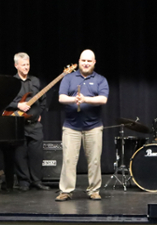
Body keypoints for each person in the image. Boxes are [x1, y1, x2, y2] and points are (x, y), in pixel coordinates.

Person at [55, 49, 109, 201]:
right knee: (68, 160)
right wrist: (74, 100)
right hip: (71, 127)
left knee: (94, 160)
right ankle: (66, 191)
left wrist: (85, 99)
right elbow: (61, 97)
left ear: (94, 63)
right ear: (79, 61)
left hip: (94, 127)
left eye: (89, 61)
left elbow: (103, 99)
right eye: (83, 61)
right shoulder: (69, 78)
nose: (85, 63)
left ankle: (94, 190)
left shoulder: (100, 80)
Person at [7, 53, 50, 192]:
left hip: (35, 125)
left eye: (28, 64)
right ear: (16, 65)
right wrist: (17, 106)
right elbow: (4, 101)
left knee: (36, 154)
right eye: (23, 65)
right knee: (20, 154)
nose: (26, 67)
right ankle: (24, 183)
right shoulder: (11, 82)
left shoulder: (35, 81)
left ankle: (37, 181)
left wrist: (39, 113)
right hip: (18, 124)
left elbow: (43, 100)